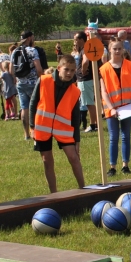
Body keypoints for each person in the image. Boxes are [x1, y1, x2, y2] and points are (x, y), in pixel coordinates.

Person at [32, 55, 86, 193]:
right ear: (59, 68)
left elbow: (76, 118)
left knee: (74, 157)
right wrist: (32, 127)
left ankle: (84, 189)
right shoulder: (44, 80)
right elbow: (33, 104)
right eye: (66, 69)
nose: (69, 73)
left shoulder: (75, 91)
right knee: (47, 161)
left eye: (72, 70)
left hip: (63, 129)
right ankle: (54, 194)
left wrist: (77, 141)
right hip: (43, 127)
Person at [99, 39, 131, 176]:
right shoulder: (103, 69)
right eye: (114, 49)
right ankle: (112, 167)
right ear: (109, 50)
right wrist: (111, 108)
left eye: (119, 48)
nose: (117, 51)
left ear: (123, 49)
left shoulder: (130, 65)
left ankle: (125, 165)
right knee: (113, 137)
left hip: (128, 107)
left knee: (126, 136)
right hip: (111, 109)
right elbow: (103, 92)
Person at [12, 31, 45, 141]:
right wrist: (42, 79)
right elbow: (39, 69)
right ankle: (36, 132)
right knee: (36, 107)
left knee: (24, 108)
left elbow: (11, 70)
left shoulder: (15, 51)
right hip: (33, 83)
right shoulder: (32, 50)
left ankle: (26, 134)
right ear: (29, 38)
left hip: (20, 83)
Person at [72, 31, 99, 133]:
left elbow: (86, 61)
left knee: (89, 103)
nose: (75, 42)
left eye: (76, 39)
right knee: (90, 102)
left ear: (81, 40)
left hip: (85, 80)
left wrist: (83, 70)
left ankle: (93, 125)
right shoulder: (87, 48)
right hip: (87, 79)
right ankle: (95, 124)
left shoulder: (85, 49)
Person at [0, 46, 18, 120]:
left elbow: (3, 70)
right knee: (13, 96)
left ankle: (9, 113)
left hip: (5, 79)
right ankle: (15, 112)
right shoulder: (7, 55)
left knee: (7, 97)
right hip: (12, 76)